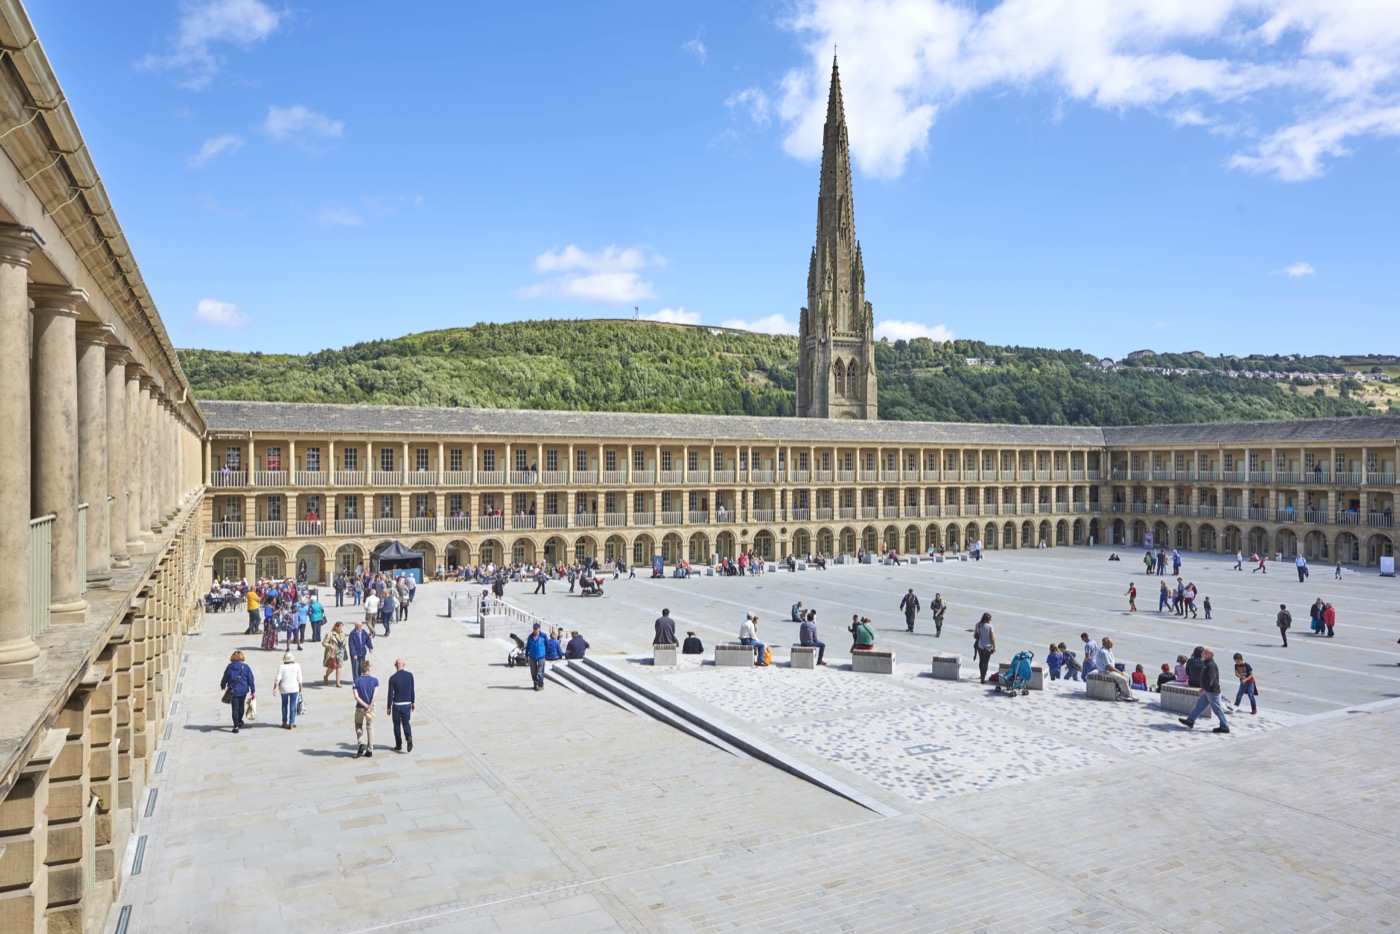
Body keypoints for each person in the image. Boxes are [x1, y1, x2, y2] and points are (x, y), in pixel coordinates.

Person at [1178, 647, 1230, 734]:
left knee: (1217, 709)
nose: (1202, 654)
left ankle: (1225, 726)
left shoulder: (1211, 665)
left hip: (1212, 691)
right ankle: (1190, 721)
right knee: (1200, 705)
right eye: (1203, 653)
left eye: (1204, 653)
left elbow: (1211, 679)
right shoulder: (1206, 663)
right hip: (1208, 691)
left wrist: (1203, 689)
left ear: (1209, 655)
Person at [220, 650, 255, 734]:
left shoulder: (229, 667)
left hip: (233, 691)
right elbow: (250, 679)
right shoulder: (245, 667)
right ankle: (239, 721)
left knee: (234, 709)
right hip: (243, 690)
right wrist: (252, 689)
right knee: (241, 705)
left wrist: (223, 685)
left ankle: (236, 726)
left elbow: (225, 677)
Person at [1093, 637, 1137, 701]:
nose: (1112, 644)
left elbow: (1111, 663)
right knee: (1123, 679)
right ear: (1105, 643)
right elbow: (1108, 667)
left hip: (1110, 670)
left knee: (1126, 675)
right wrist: (1119, 672)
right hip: (1105, 672)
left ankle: (1123, 693)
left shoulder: (1109, 650)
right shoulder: (1104, 652)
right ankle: (1129, 695)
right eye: (1110, 642)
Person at [387, 658, 416, 753]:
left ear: (395, 666)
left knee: (396, 725)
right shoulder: (410, 675)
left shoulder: (392, 678)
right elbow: (412, 690)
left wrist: (388, 707)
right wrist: (413, 702)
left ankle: (399, 745)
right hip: (407, 703)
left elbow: (390, 694)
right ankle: (408, 737)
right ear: (404, 664)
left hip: (397, 704)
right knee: (406, 722)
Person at [353, 660, 379, 757]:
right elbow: (374, 695)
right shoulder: (375, 680)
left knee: (358, 724)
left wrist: (364, 705)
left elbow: (356, 696)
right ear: (368, 669)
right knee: (370, 727)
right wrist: (370, 706)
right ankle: (370, 749)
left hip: (360, 707)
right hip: (371, 708)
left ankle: (361, 743)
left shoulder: (356, 681)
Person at [273, 651, 304, 729]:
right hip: (294, 688)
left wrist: (274, 688)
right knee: (292, 704)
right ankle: (291, 722)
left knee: (284, 704)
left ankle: (284, 722)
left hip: (284, 688)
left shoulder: (281, 667)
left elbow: (277, 678)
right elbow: (299, 677)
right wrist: (301, 686)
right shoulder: (297, 666)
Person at [347, 620, 373, 686]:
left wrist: (370, 647)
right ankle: (356, 680)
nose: (360, 627)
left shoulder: (363, 632)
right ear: (355, 626)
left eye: (361, 625)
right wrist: (354, 654)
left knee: (362, 667)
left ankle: (361, 679)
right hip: (356, 655)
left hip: (362, 653)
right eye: (359, 626)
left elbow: (368, 640)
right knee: (355, 668)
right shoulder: (352, 634)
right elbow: (351, 645)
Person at [323, 621, 348, 687]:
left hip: (341, 652)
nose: (341, 628)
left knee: (339, 667)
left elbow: (344, 641)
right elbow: (324, 643)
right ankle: (326, 676)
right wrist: (331, 646)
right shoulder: (330, 634)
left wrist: (344, 644)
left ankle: (338, 682)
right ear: (336, 627)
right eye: (340, 627)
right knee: (332, 667)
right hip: (333, 652)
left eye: (342, 627)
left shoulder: (342, 634)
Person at [973, 613, 996, 683]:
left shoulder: (977, 625)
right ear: (987, 619)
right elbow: (992, 637)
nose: (990, 620)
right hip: (988, 647)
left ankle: (981, 675)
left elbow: (974, 636)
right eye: (990, 619)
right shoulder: (990, 626)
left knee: (981, 661)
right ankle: (983, 677)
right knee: (986, 663)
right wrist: (994, 645)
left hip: (980, 646)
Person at [525, 622, 547, 690]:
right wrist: (526, 655)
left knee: (540, 672)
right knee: (533, 671)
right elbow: (528, 646)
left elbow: (547, 644)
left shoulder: (543, 636)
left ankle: (541, 684)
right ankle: (535, 684)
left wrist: (544, 653)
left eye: (536, 629)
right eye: (534, 629)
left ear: (539, 629)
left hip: (541, 656)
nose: (535, 630)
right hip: (532, 656)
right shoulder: (531, 637)